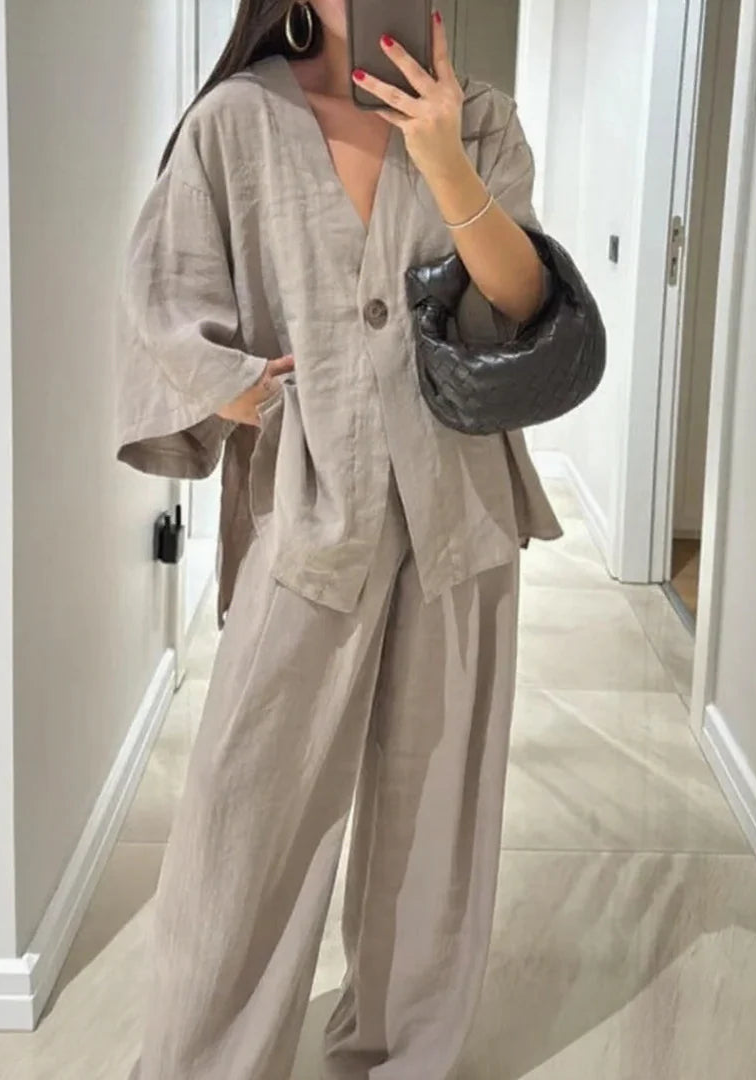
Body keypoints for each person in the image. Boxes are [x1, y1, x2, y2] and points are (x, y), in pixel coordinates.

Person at [115, 1, 563, 1076]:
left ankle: (397, 1050)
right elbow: (163, 291)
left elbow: (522, 302)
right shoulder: (236, 120)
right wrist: (231, 388)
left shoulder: (481, 120)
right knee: (244, 816)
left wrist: (441, 156)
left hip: (459, 511)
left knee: (434, 817)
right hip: (309, 516)